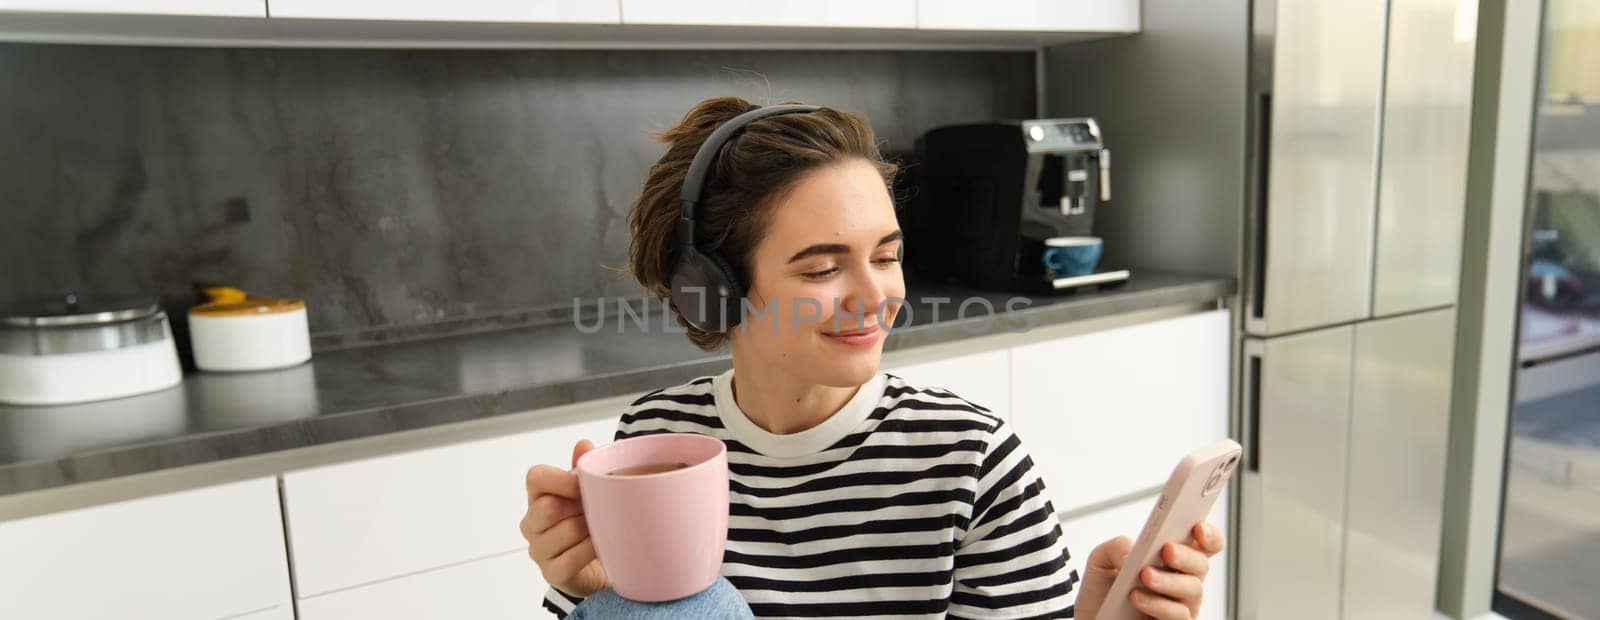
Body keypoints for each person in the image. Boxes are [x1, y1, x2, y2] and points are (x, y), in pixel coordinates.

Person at [519, 96, 1225, 619]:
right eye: (824, 269)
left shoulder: (970, 459)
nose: (877, 296)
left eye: (886, 256)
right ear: (714, 290)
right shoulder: (654, 444)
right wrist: (589, 592)